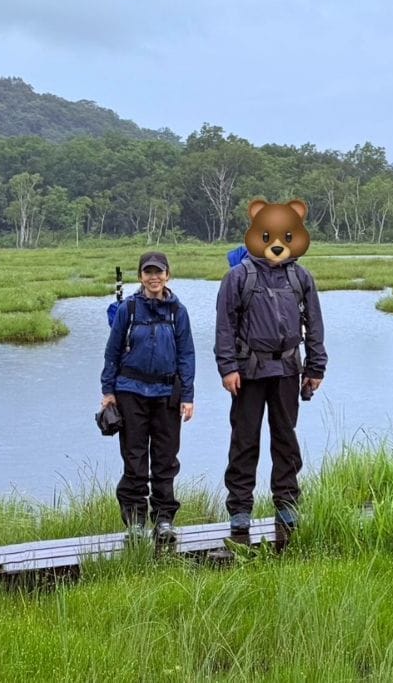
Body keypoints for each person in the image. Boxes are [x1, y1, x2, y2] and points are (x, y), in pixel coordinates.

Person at [214, 199, 327, 536]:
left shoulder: (300, 276)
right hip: (248, 372)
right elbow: (224, 327)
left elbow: (315, 323)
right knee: (245, 440)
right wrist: (227, 368)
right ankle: (240, 509)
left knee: (285, 439)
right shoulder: (238, 277)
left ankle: (287, 503)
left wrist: (316, 367)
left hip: (288, 371)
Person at [101, 251, 195, 543]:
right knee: (135, 458)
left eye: (159, 272)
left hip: (167, 393)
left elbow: (187, 355)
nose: (154, 277)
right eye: (148, 272)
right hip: (130, 392)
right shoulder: (128, 310)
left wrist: (188, 396)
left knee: (165, 460)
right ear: (140, 276)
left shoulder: (178, 311)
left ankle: (164, 519)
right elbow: (112, 352)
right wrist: (108, 391)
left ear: (168, 275)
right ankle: (136, 522)